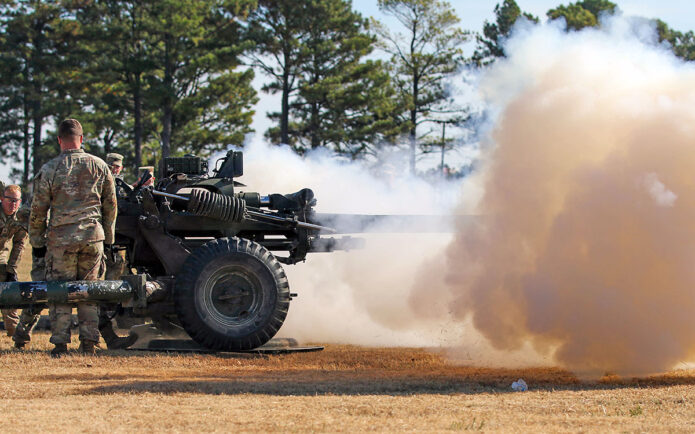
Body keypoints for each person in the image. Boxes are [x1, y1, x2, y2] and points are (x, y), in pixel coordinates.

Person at [30, 119, 117, 356]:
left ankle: (60, 343)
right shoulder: (100, 166)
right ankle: (89, 342)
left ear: (59, 140)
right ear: (82, 140)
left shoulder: (49, 169)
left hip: (61, 240)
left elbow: (38, 210)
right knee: (90, 289)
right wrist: (108, 240)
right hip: (92, 237)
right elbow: (110, 206)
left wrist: (37, 243)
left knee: (60, 290)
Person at [0, 184, 28, 337]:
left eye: (16, 201)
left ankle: (15, 335)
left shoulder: (20, 218)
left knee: (8, 294)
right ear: (2, 199)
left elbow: (20, 244)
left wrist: (12, 269)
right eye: (10, 200)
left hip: (1, 258)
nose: (13, 204)